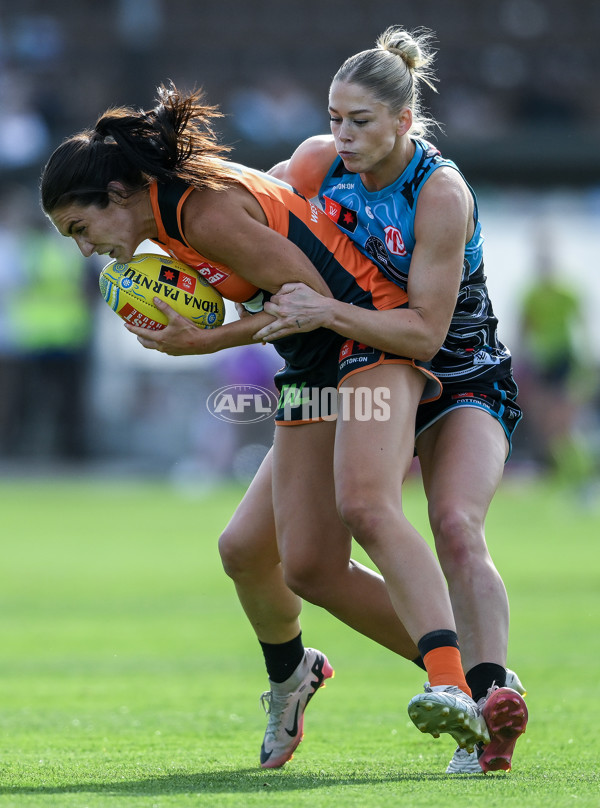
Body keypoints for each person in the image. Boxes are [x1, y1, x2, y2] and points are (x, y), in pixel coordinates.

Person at [40, 81, 490, 771]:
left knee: (366, 505)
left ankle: (461, 683)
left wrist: (204, 342)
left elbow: (309, 299)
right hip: (314, 360)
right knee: (262, 555)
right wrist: (200, 322)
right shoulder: (167, 220)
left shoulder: (201, 214)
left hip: (362, 340)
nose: (84, 248)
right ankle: (297, 676)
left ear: (119, 194)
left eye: (80, 227)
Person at [220, 26, 530, 775]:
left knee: (455, 524)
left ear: (404, 122)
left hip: (456, 378)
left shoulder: (441, 192)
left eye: (359, 121)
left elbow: (426, 334)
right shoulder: (320, 163)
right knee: (256, 552)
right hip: (360, 370)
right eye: (334, 117)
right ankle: (439, 672)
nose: (341, 135)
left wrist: (323, 312)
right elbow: (248, 213)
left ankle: (484, 696)